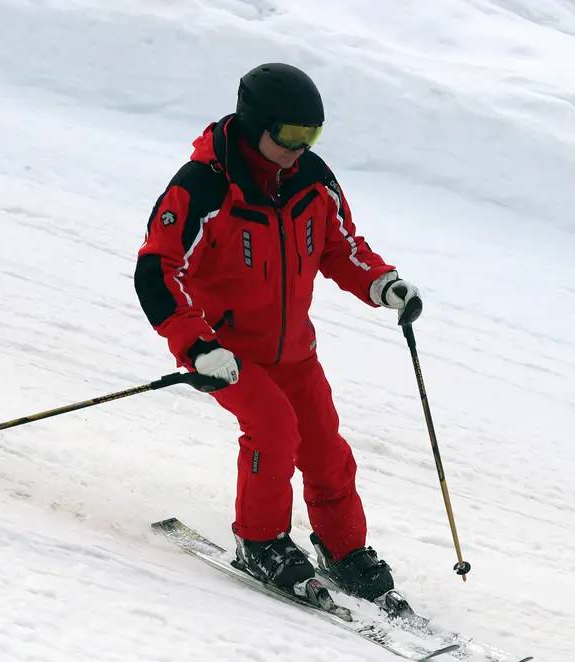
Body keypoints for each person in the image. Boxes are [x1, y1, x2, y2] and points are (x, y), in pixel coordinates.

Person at [133, 63, 422, 602]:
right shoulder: (203, 186)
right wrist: (196, 346)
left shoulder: (312, 178)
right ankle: (260, 542)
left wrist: (383, 284)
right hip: (228, 353)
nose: (300, 148)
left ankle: (343, 551)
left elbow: (341, 246)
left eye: (311, 136)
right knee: (273, 429)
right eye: (290, 136)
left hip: (294, 351)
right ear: (254, 124)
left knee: (324, 448)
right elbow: (157, 269)